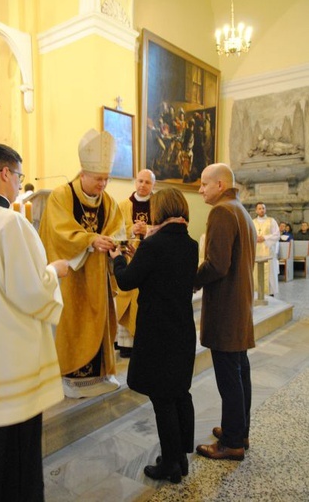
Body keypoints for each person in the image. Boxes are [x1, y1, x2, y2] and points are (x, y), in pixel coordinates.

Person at [0, 143, 69, 501]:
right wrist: (54, 272)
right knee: (13, 456)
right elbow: (31, 291)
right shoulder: (8, 222)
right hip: (7, 365)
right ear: (6, 173)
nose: (19, 183)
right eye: (19, 175)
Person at [110, 188, 199, 484]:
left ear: (159, 210)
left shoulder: (153, 244)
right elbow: (167, 273)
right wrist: (140, 256)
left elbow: (126, 281)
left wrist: (118, 259)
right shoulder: (190, 244)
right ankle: (182, 457)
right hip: (182, 328)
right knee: (180, 392)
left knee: (162, 399)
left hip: (158, 332)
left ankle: (170, 465)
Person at [39, 129, 126, 399]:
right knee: (73, 324)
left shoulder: (109, 202)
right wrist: (90, 241)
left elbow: (117, 230)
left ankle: (100, 375)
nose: (103, 184)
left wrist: (114, 243)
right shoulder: (61, 196)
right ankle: (70, 376)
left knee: (99, 323)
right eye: (99, 178)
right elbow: (57, 231)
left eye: (107, 178)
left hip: (98, 276)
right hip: (71, 275)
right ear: (83, 174)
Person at [194, 163, 257, 461]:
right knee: (240, 371)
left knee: (229, 377)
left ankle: (232, 443)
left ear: (220, 185)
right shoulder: (241, 210)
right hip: (239, 304)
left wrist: (190, 281)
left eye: (204, 184)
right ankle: (239, 430)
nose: (200, 189)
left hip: (225, 307)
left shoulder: (221, 211)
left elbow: (217, 265)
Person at [116, 169, 156, 357]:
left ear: (153, 185)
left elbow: (164, 225)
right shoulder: (123, 205)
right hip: (129, 259)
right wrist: (131, 230)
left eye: (147, 182)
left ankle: (144, 342)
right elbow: (115, 231)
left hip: (152, 261)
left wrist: (147, 228)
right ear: (135, 182)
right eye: (140, 181)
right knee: (128, 297)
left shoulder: (159, 204)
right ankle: (126, 345)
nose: (143, 185)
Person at [253, 202, 280, 296]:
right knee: (255, 272)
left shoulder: (271, 221)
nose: (261, 210)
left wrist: (264, 238)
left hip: (268, 251)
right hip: (256, 251)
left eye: (263, 208)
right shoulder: (252, 222)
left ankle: (270, 293)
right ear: (256, 210)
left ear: (265, 209)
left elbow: (277, 235)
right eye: (259, 208)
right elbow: (248, 234)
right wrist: (255, 238)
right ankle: (257, 293)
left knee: (270, 273)